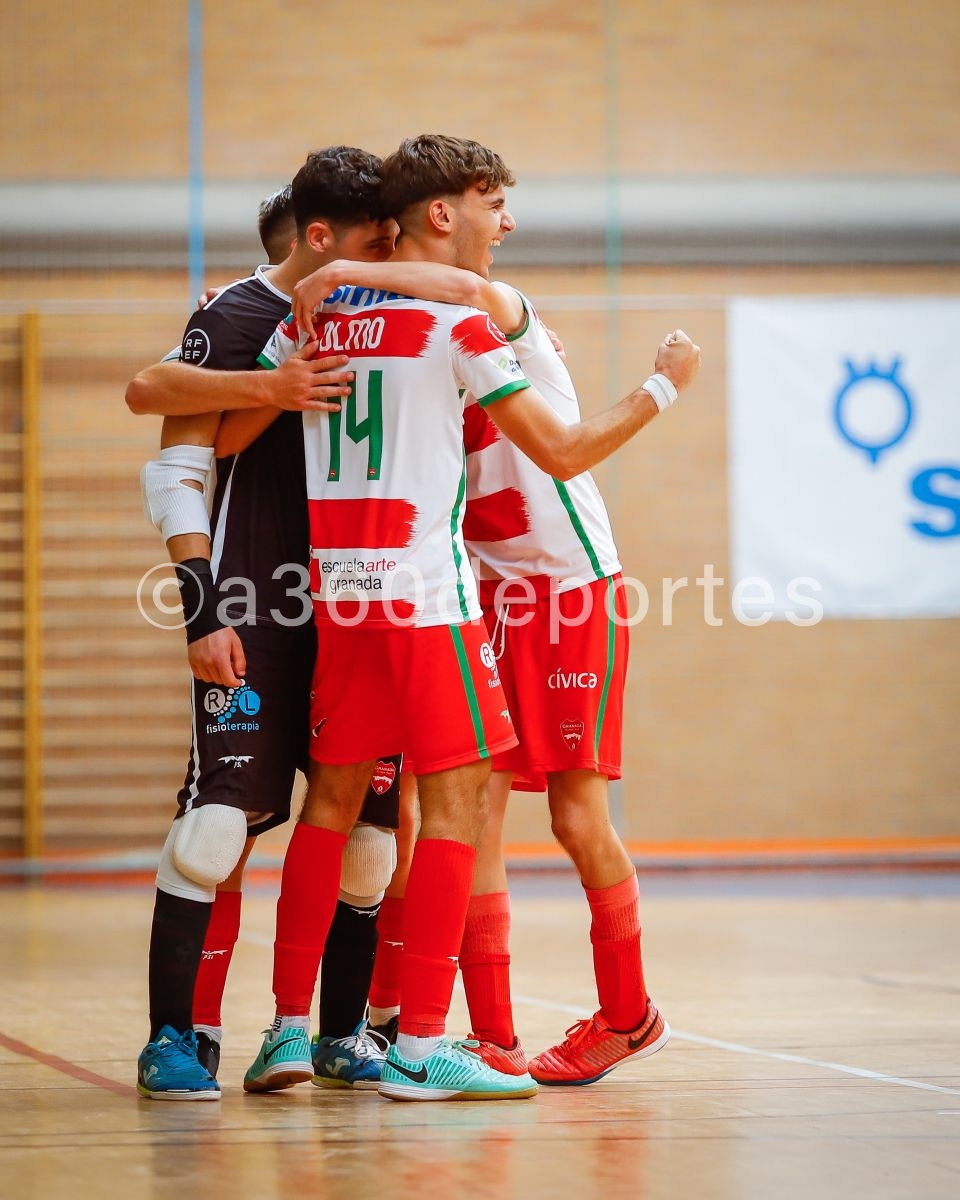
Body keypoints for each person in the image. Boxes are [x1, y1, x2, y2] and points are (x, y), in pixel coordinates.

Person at [219, 133, 699, 1101]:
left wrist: (335, 269)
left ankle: (615, 1012)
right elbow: (552, 443)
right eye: (493, 202)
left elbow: (234, 427)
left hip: (540, 587)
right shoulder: (453, 322)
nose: (508, 223)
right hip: (449, 586)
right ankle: (465, 1037)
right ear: (441, 215)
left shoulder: (392, 307)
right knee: (460, 807)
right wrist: (662, 384)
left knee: (537, 813)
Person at [128, 148, 405, 1100]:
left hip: (367, 612)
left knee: (371, 839)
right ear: (322, 238)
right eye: (377, 241)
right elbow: (175, 459)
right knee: (216, 830)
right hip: (253, 608)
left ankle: (338, 1038)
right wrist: (201, 612)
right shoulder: (239, 315)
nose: (390, 256)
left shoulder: (401, 314)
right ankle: (179, 1037)